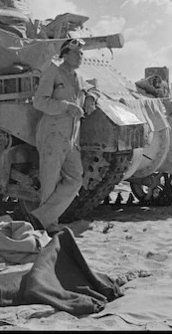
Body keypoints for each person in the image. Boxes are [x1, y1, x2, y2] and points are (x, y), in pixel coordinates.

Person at [29, 38, 100, 234]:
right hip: (52, 133)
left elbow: (92, 88)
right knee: (50, 181)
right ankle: (49, 225)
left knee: (75, 178)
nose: (80, 57)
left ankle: (41, 218)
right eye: (77, 53)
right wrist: (66, 107)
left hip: (71, 137)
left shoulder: (77, 77)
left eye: (82, 54)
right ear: (65, 55)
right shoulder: (53, 72)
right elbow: (39, 102)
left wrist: (92, 98)